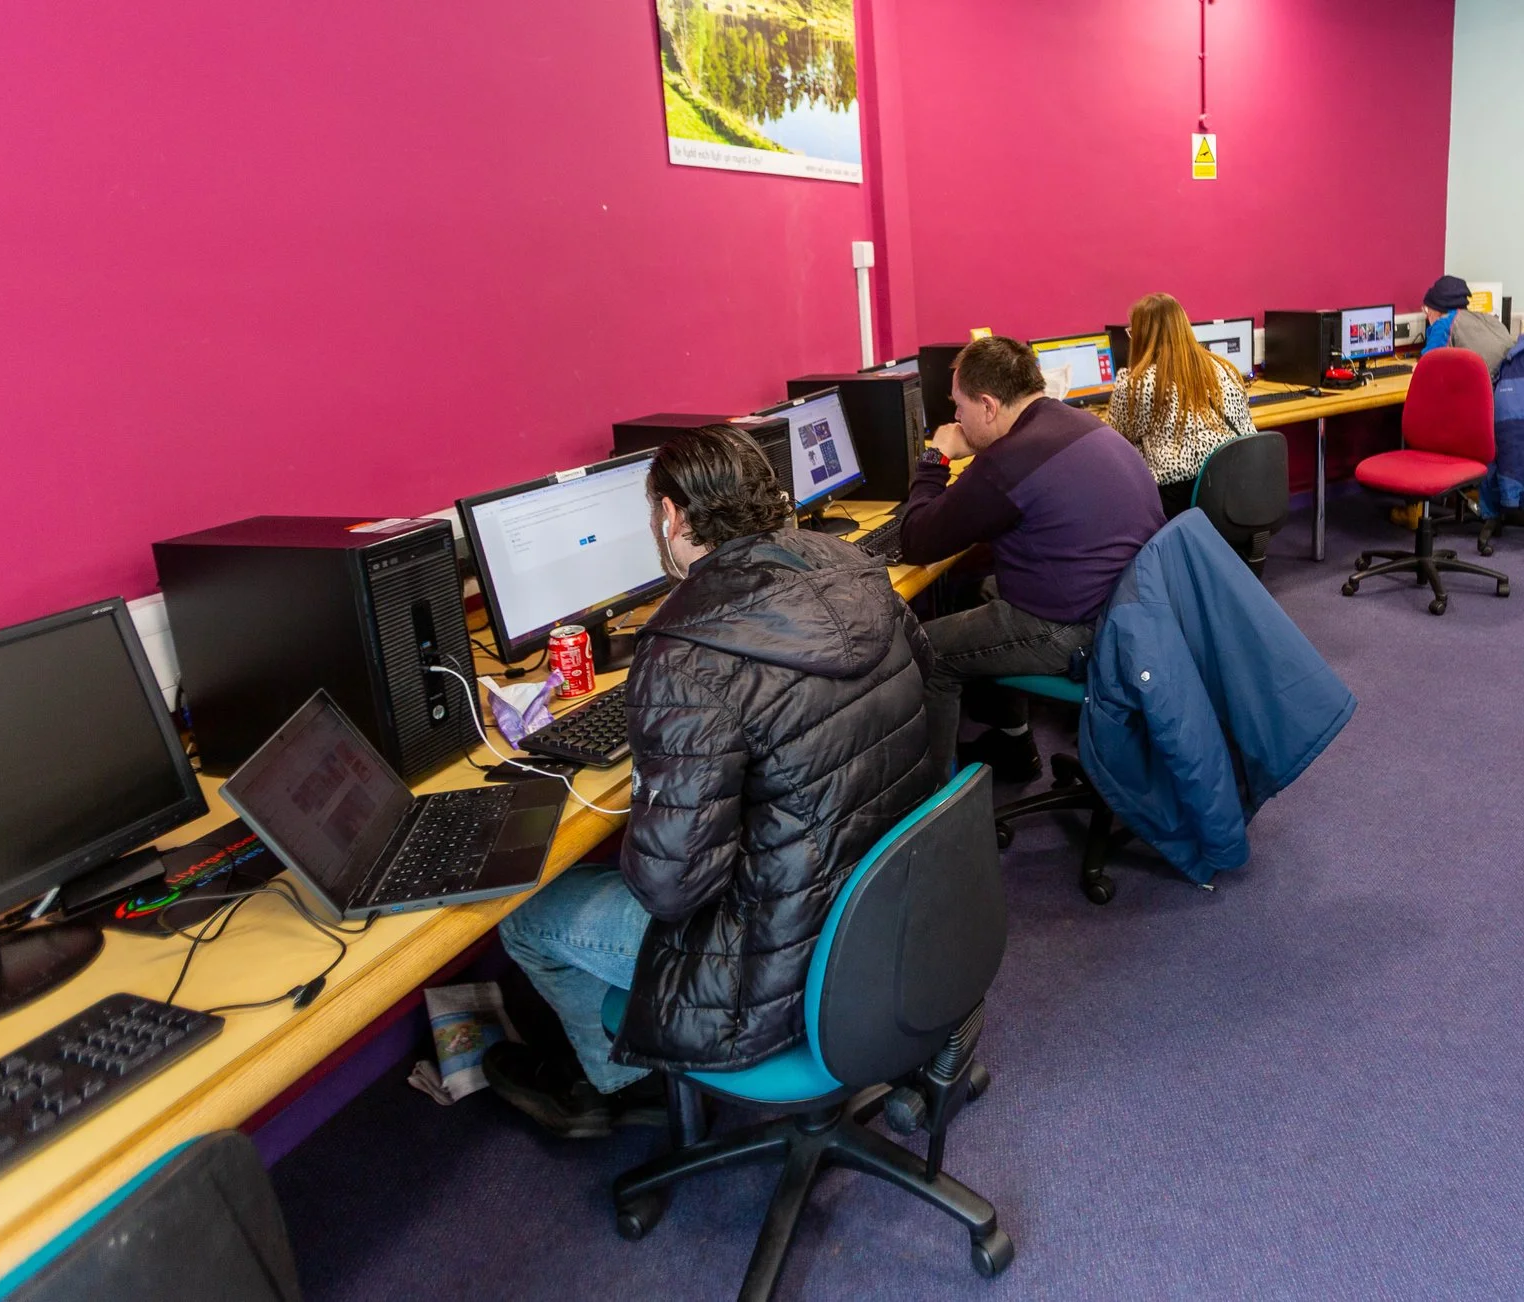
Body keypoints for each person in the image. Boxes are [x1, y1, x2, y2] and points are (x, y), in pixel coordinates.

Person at [484, 424, 942, 1138]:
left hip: (768, 962)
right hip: (883, 906)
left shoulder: (684, 649)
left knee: (526, 914)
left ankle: (616, 1084)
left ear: (671, 517)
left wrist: (656, 786)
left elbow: (672, 889)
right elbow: (932, 701)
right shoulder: (855, 569)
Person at [896, 335, 1165, 781]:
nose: (956, 418)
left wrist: (935, 457)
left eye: (958, 407)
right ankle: (1014, 741)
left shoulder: (1008, 462)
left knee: (927, 651)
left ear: (988, 405)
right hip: (1129, 608)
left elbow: (916, 540)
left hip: (1075, 626)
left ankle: (935, 810)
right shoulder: (1080, 422)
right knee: (975, 590)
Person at [1107, 292, 1258, 518]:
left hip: (1181, 498)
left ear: (1141, 335)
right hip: (1238, 483)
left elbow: (1117, 440)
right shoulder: (1225, 368)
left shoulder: (1137, 384)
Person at [1420, 273, 1515, 371]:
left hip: (1485, 383)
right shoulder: (1488, 319)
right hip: (1507, 381)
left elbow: (1426, 366)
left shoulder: (1444, 323)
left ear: (1438, 310)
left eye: (1427, 310)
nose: (1427, 316)